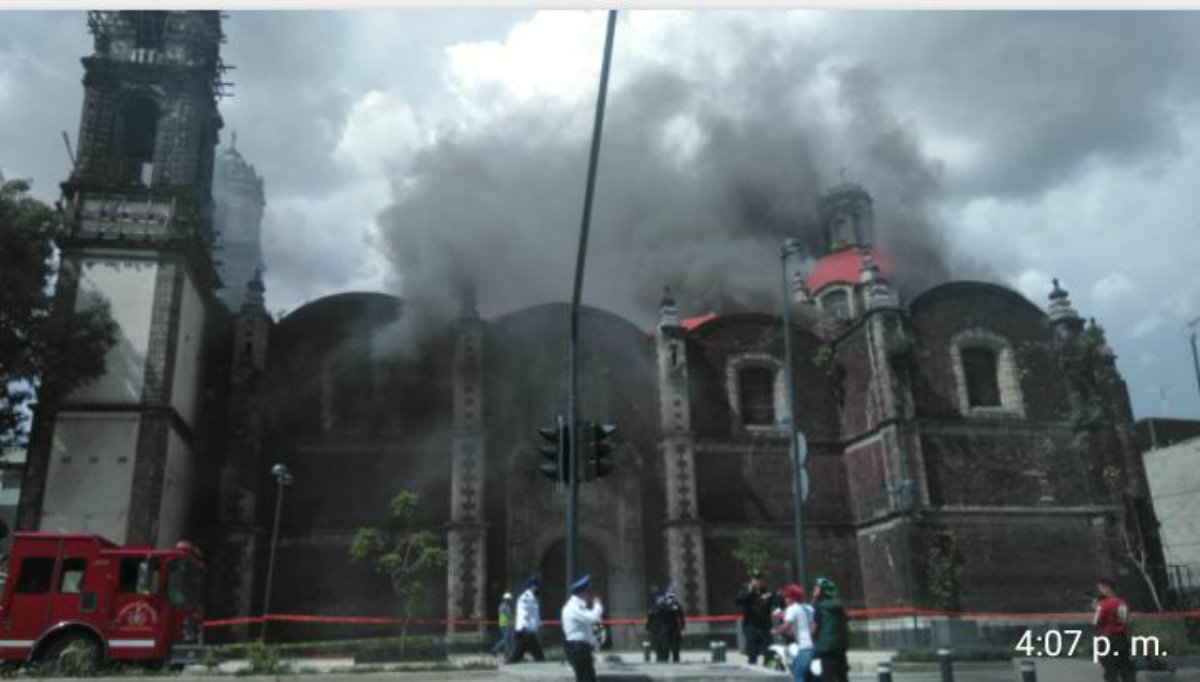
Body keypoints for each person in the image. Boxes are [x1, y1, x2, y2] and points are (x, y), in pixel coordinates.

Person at [561, 574, 605, 682]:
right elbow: (593, 618)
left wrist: (599, 638)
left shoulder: (581, 608)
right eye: (588, 592)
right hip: (577, 647)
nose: (589, 596)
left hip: (582, 648)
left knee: (588, 678)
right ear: (582, 593)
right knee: (586, 678)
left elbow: (594, 622)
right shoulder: (573, 607)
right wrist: (598, 606)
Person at [1093, 578, 1136, 682]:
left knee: (1110, 670)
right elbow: (1126, 621)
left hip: (1107, 639)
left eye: (1101, 588)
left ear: (1107, 588)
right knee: (1125, 668)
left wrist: (1096, 608)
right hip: (1121, 638)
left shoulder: (1102, 604)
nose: (1100, 591)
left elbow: (1096, 622)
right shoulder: (1122, 602)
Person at [736, 570, 778, 665]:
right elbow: (738, 602)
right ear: (752, 580)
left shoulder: (768, 592)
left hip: (765, 628)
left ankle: (769, 675)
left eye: (760, 579)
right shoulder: (745, 591)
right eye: (756, 579)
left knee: (769, 654)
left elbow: (777, 602)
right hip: (751, 627)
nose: (758, 581)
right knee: (752, 655)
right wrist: (749, 592)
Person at [811, 576, 849, 682]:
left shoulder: (820, 607)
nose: (814, 589)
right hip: (841, 647)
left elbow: (814, 628)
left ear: (823, 591)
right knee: (842, 677)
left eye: (817, 588)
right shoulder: (839, 606)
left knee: (827, 677)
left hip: (826, 649)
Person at [773, 584, 814, 682]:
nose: (785, 599)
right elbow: (809, 626)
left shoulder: (792, 609)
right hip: (815, 646)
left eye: (787, 596)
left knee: (798, 677)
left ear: (792, 597)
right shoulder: (808, 608)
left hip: (804, 648)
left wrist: (776, 631)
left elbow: (786, 625)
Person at [507, 575, 545, 663]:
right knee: (539, 657)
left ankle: (508, 666)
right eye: (537, 586)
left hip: (529, 633)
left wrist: (539, 625)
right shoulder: (525, 598)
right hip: (524, 632)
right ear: (532, 586)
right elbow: (523, 614)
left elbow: (535, 615)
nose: (538, 588)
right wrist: (525, 628)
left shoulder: (534, 598)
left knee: (516, 657)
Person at [647, 586, 686, 663]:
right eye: (669, 595)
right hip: (662, 629)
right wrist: (648, 627)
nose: (670, 597)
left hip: (673, 629)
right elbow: (651, 616)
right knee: (662, 646)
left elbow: (681, 617)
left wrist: (682, 628)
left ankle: (675, 660)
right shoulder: (659, 605)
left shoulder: (675, 605)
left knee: (675, 648)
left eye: (672, 595)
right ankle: (662, 659)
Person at [492, 592, 515, 658]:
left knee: (507, 639)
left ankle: (504, 652)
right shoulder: (503, 607)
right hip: (505, 625)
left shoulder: (507, 606)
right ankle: (498, 650)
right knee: (506, 639)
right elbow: (503, 617)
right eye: (509, 599)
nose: (510, 600)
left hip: (508, 624)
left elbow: (510, 616)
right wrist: (506, 625)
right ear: (506, 599)